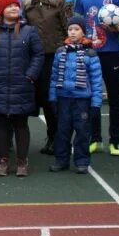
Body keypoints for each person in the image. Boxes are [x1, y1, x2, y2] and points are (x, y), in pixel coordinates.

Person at [0, 0, 44, 177]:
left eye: (16, 5)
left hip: (21, 85)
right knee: (1, 126)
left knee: (20, 124)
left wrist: (30, 75)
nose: (14, 8)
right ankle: (3, 160)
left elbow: (38, 55)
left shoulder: (29, 31)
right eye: (9, 6)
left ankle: (22, 161)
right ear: (1, 10)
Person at [73, 0, 119, 156]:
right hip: (89, 52)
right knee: (90, 96)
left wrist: (116, 28)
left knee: (115, 97)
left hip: (111, 52)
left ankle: (115, 141)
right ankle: (94, 138)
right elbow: (78, 23)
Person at [22, 0, 69, 155]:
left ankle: (55, 138)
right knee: (35, 98)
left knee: (52, 101)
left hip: (54, 56)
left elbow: (68, 28)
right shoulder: (27, 5)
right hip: (34, 57)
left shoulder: (60, 4)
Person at [48, 16, 103, 173]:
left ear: (83, 32)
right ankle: (61, 160)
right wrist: (53, 97)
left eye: (76, 29)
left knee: (82, 131)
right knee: (62, 131)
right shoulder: (60, 52)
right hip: (63, 98)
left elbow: (96, 81)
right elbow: (54, 77)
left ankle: (82, 161)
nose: (72, 32)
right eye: (70, 29)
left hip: (82, 100)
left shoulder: (90, 54)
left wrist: (96, 103)